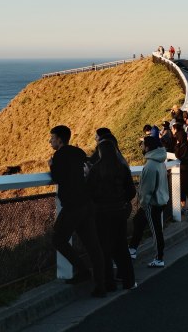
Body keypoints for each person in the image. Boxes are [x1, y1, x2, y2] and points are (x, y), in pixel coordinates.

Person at [48, 125, 106, 297]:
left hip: (73, 206)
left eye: (51, 138)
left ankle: (82, 271)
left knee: (58, 239)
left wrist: (51, 165)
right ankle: (100, 286)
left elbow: (58, 178)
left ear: (59, 139)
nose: (50, 141)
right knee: (93, 246)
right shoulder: (79, 152)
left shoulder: (59, 155)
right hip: (87, 204)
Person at [85, 138, 137, 291]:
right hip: (119, 213)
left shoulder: (96, 169)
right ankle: (129, 281)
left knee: (104, 249)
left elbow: (89, 192)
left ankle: (109, 283)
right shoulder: (122, 168)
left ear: (100, 152)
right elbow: (131, 192)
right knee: (121, 247)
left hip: (101, 214)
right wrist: (122, 201)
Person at [128, 136, 169, 267]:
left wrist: (142, 204)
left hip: (151, 203)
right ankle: (132, 249)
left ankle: (159, 258)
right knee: (138, 221)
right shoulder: (160, 161)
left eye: (143, 145)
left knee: (155, 230)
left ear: (148, 147)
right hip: (160, 200)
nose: (142, 147)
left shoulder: (150, 165)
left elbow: (147, 189)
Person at [173, 126, 188, 215]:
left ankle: (183, 208)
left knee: (182, 190)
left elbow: (178, 156)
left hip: (182, 171)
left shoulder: (181, 146)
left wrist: (177, 145)